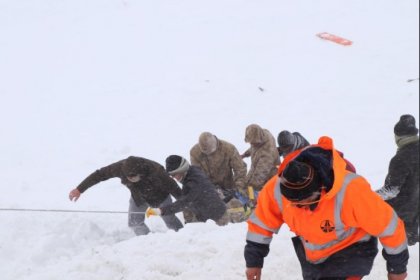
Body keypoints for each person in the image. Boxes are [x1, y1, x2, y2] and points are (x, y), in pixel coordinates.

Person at [244, 136, 409, 280]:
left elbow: (390, 228)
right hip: (313, 258)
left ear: (320, 189)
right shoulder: (276, 189)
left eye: (304, 202)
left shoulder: (351, 191)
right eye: (293, 203)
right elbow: (261, 225)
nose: (298, 207)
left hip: (352, 251)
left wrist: (397, 268)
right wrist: (254, 262)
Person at [68, 156, 184, 235]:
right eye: (128, 177)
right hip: (138, 198)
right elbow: (99, 175)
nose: (130, 179)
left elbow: (174, 188)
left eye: (133, 177)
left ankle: (183, 237)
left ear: (140, 173)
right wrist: (80, 189)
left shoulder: (156, 170)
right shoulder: (120, 168)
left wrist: (187, 203)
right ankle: (148, 241)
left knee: (169, 220)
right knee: (134, 223)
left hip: (160, 197)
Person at [146, 155, 230, 226]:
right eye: (171, 175)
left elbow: (184, 202)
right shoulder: (192, 171)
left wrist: (161, 211)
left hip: (218, 219)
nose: (173, 177)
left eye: (174, 174)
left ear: (181, 169)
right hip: (206, 216)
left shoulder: (194, 182)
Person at [376, 114, 419, 246]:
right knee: (409, 242)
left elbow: (391, 190)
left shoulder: (401, 159)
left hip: (400, 212)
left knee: (396, 245)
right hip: (415, 209)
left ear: (398, 136)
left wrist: (370, 196)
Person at [190, 132, 248, 222]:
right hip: (208, 189)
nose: (208, 155)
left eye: (210, 152)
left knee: (236, 209)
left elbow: (240, 170)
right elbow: (197, 175)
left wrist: (238, 188)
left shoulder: (229, 149)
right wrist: (209, 189)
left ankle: (237, 229)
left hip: (229, 187)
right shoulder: (195, 152)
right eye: (205, 153)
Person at [241, 124, 280, 206]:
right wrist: (245, 154)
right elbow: (253, 147)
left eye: (253, 142)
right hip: (256, 166)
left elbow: (261, 173)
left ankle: (257, 205)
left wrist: (251, 188)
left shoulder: (267, 152)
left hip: (269, 174)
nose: (251, 144)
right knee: (247, 186)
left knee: (260, 191)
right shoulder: (262, 134)